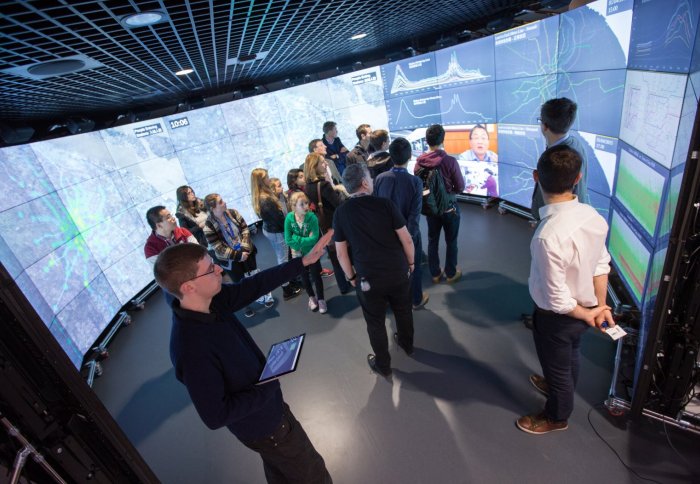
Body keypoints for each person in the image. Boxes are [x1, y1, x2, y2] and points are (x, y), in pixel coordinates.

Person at [154, 237, 333, 483]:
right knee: (312, 474)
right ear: (188, 287)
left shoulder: (212, 301)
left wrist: (302, 262)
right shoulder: (190, 349)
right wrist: (268, 385)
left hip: (267, 413)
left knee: (281, 470)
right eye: (210, 269)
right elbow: (215, 415)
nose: (220, 269)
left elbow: (254, 285)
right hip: (266, 426)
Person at [516, 144, 614, 435]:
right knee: (571, 354)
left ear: (536, 177)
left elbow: (557, 298)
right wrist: (601, 306)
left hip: (557, 316)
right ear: (578, 178)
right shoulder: (593, 216)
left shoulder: (547, 237)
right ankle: (560, 388)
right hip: (582, 310)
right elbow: (601, 265)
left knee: (556, 365)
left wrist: (587, 314)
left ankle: (557, 415)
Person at [334, 163, 415, 378]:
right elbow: (406, 238)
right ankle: (407, 344)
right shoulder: (385, 204)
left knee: (375, 322)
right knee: (403, 310)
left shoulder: (341, 213)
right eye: (369, 177)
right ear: (363, 182)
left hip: (368, 279)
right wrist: (411, 263)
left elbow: (341, 252)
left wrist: (350, 276)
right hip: (397, 271)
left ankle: (383, 365)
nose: (371, 180)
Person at [374, 137, 429, 310]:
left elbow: (377, 208)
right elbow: (414, 217)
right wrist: (408, 240)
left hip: (386, 236)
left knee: (393, 270)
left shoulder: (380, 179)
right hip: (409, 235)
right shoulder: (415, 182)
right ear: (410, 156)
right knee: (415, 268)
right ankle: (416, 299)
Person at [203, 193, 273, 317]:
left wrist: (244, 248)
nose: (224, 202)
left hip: (246, 252)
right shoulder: (208, 227)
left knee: (254, 274)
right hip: (231, 260)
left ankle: (265, 297)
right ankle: (246, 305)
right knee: (239, 282)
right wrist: (238, 256)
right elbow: (218, 248)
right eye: (220, 202)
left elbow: (245, 229)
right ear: (213, 209)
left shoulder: (233, 213)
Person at [414, 124, 466, 284]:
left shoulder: (419, 163)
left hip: (431, 209)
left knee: (432, 240)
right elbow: (460, 187)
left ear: (427, 141)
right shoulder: (449, 161)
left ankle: (435, 273)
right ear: (442, 140)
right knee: (451, 241)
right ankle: (451, 273)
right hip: (449, 208)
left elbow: (419, 185)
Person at [531, 97, 589, 220]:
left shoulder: (564, 157)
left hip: (556, 222)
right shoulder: (574, 145)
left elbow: (577, 193)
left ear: (545, 126)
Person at [251, 168, 301, 301]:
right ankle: (286, 289)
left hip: (272, 230)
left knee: (284, 257)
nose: (269, 178)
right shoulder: (265, 199)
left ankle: (290, 281)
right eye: (266, 177)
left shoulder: (262, 196)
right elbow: (278, 219)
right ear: (261, 181)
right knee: (283, 259)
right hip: (277, 232)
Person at [285, 192, 327, 313]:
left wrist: (297, 238)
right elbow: (288, 239)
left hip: (312, 252)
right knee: (304, 277)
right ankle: (312, 298)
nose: (306, 206)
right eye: (301, 204)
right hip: (298, 254)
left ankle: (321, 299)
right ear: (294, 206)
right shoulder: (289, 218)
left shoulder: (312, 217)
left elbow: (314, 238)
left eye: (306, 203)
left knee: (316, 275)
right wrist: (305, 240)